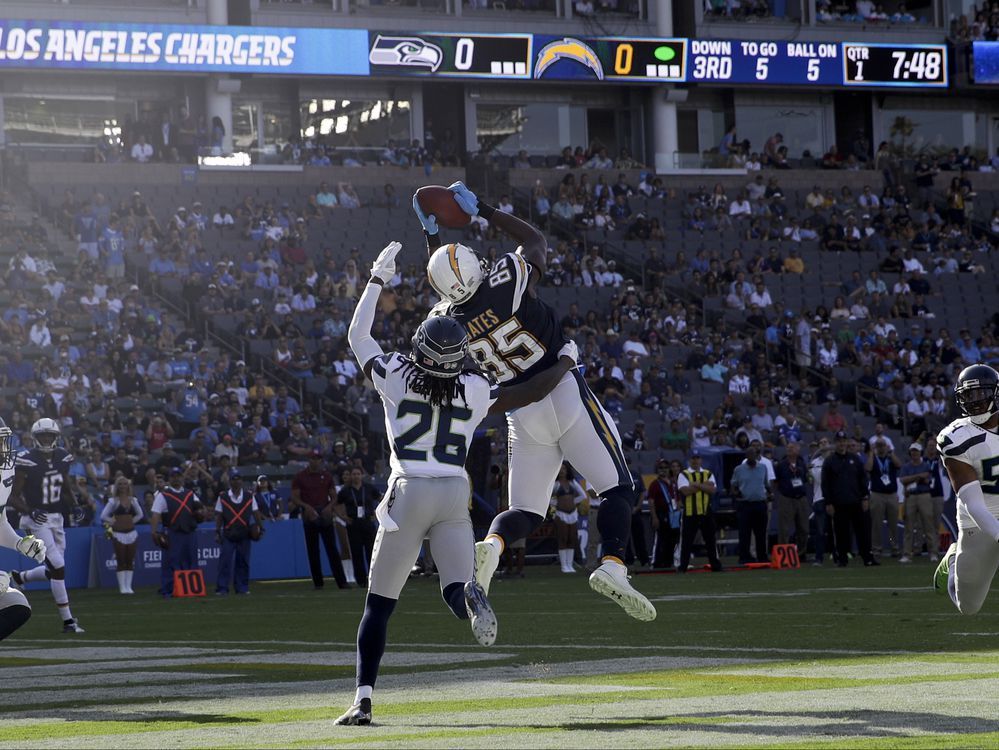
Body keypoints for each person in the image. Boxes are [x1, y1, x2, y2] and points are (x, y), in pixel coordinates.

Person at [334, 241, 577, 726]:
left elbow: (357, 334)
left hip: (409, 492)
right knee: (454, 589)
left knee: (379, 606)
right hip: (452, 494)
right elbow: (524, 391)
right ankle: (469, 598)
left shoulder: (397, 376)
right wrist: (564, 362)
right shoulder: (473, 389)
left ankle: (362, 699)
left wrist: (376, 279)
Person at [415, 182, 655, 622]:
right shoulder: (505, 280)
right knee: (618, 488)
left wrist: (432, 239)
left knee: (523, 511)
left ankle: (490, 548)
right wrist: (485, 208)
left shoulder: (447, 320)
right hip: (560, 389)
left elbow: (446, 290)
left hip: (520, 412)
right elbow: (537, 242)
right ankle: (613, 565)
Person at [7, 418, 85, 633]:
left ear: (56, 437)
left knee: (55, 570)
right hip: (36, 521)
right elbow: (13, 496)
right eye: (43, 435)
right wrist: (29, 510)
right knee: (58, 567)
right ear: (35, 437)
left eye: (50, 435)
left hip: (57, 518)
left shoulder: (62, 457)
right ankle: (68, 621)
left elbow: (65, 486)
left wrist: (74, 504)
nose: (46, 439)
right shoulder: (27, 460)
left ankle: (21, 577)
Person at [933, 364, 999, 614]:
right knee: (968, 606)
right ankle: (952, 559)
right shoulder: (956, 437)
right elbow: (974, 505)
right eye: (968, 396)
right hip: (979, 518)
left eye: (981, 393)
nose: (975, 402)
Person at [0, 417, 47, 641]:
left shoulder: (5, 476)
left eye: (3, 442)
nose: (4, 449)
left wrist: (18, 542)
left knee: (16, 606)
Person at [289, 451, 349, 590]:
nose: (315, 461)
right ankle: (318, 583)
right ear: (308, 460)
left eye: (318, 459)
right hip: (309, 514)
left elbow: (334, 496)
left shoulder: (327, 476)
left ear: (321, 461)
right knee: (313, 550)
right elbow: (295, 497)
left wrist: (329, 507)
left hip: (324, 513)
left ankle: (341, 581)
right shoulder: (300, 477)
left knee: (332, 549)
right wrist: (306, 507)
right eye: (313, 459)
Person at [822, 431, 877, 567]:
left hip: (856, 501)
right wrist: (828, 502)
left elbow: (862, 479)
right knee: (841, 532)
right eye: (839, 441)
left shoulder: (855, 459)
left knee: (863, 531)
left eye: (843, 441)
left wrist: (865, 497)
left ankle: (867, 558)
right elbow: (826, 483)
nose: (841, 444)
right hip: (839, 503)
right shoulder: (829, 461)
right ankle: (842, 559)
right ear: (835, 443)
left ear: (846, 442)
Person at [150, 467, 205, 598]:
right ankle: (168, 589)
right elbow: (156, 515)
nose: (176, 478)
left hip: (189, 532)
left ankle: (192, 588)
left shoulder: (190, 494)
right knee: (171, 561)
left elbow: (201, 509)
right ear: (169, 479)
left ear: (182, 478)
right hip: (172, 532)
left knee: (191, 559)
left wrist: (201, 513)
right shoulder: (163, 495)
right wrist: (154, 532)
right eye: (173, 476)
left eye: (178, 476)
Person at [214, 470, 264, 596]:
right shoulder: (223, 496)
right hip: (228, 533)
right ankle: (222, 588)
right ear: (230, 481)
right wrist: (217, 531)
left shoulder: (249, 495)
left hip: (244, 533)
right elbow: (218, 515)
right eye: (234, 479)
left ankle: (242, 587)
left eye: (239, 479)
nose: (236, 481)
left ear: (242, 481)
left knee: (243, 562)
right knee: (225, 561)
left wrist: (261, 527)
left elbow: (256, 512)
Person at [676, 451, 722, 573]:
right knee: (687, 542)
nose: (695, 461)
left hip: (706, 512)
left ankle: (715, 565)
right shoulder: (683, 474)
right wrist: (703, 485)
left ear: (700, 460)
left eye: (697, 458)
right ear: (689, 460)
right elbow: (685, 491)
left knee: (710, 541)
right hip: (690, 513)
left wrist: (695, 484)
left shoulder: (708, 473)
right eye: (693, 458)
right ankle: (683, 566)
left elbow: (712, 490)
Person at [337, 467, 380, 588]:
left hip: (367, 522)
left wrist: (377, 513)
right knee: (356, 553)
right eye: (353, 474)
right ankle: (361, 580)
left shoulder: (369, 488)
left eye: (358, 474)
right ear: (350, 476)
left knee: (371, 551)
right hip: (353, 523)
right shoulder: (346, 490)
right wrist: (343, 516)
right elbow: (336, 504)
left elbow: (382, 499)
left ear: (362, 475)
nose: (356, 476)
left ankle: (374, 578)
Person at [100, 476, 144, 594]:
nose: (123, 486)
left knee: (130, 559)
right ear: (117, 486)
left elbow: (140, 514)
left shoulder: (133, 500)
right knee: (121, 559)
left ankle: (128, 587)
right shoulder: (113, 501)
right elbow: (103, 516)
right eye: (120, 484)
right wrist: (114, 522)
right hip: (118, 534)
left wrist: (131, 521)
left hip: (131, 533)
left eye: (125, 484)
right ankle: (122, 587)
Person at [731, 446, 771, 564]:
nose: (752, 457)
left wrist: (770, 493)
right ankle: (744, 557)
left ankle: (762, 557)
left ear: (757, 455)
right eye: (749, 455)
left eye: (754, 454)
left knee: (761, 533)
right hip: (745, 504)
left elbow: (766, 484)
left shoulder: (763, 468)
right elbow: (733, 485)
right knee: (744, 533)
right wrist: (736, 494)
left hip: (760, 503)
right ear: (746, 456)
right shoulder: (739, 469)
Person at [899, 443, 938, 564]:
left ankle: (933, 553)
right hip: (910, 496)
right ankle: (906, 554)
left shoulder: (925, 465)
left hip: (924, 495)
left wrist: (914, 478)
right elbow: (902, 480)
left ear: (920, 452)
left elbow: (928, 479)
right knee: (908, 526)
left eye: (916, 451)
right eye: (912, 451)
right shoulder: (906, 467)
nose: (914, 453)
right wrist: (917, 476)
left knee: (928, 526)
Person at [865, 439, 901, 560]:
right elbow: (868, 468)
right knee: (876, 523)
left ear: (887, 446)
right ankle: (876, 549)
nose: (881, 448)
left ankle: (894, 547)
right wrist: (871, 454)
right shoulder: (874, 459)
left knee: (893, 523)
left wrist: (891, 453)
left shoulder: (890, 459)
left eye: (883, 446)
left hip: (891, 494)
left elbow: (899, 465)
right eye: (878, 446)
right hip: (877, 494)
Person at [775, 442, 810, 560]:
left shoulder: (801, 463)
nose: (790, 449)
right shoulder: (781, 464)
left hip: (801, 498)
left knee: (804, 528)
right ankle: (783, 555)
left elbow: (805, 478)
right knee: (784, 528)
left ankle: (801, 554)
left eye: (793, 447)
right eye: (788, 447)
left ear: (798, 450)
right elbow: (776, 481)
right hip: (787, 498)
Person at [551, 463, 586, 573]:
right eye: (560, 469)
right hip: (561, 514)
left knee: (572, 539)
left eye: (564, 469)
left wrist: (573, 502)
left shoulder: (572, 482)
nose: (562, 471)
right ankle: (564, 565)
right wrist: (556, 503)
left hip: (573, 513)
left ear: (568, 470)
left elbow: (583, 495)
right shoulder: (555, 484)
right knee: (563, 538)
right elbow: (547, 497)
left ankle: (570, 565)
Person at [647, 458, 680, 570]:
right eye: (661, 468)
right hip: (661, 513)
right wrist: (654, 517)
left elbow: (677, 498)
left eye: (666, 467)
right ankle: (657, 563)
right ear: (657, 469)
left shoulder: (673, 482)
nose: (664, 470)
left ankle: (668, 561)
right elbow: (651, 502)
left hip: (673, 513)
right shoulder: (655, 484)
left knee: (672, 539)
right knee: (661, 539)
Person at [809, 437, 833, 566]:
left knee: (835, 530)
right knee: (820, 530)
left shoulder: (835, 460)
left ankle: (837, 555)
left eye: (825, 442)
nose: (823, 444)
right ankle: (819, 558)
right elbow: (820, 479)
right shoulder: (815, 462)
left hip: (834, 499)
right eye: (821, 443)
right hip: (820, 498)